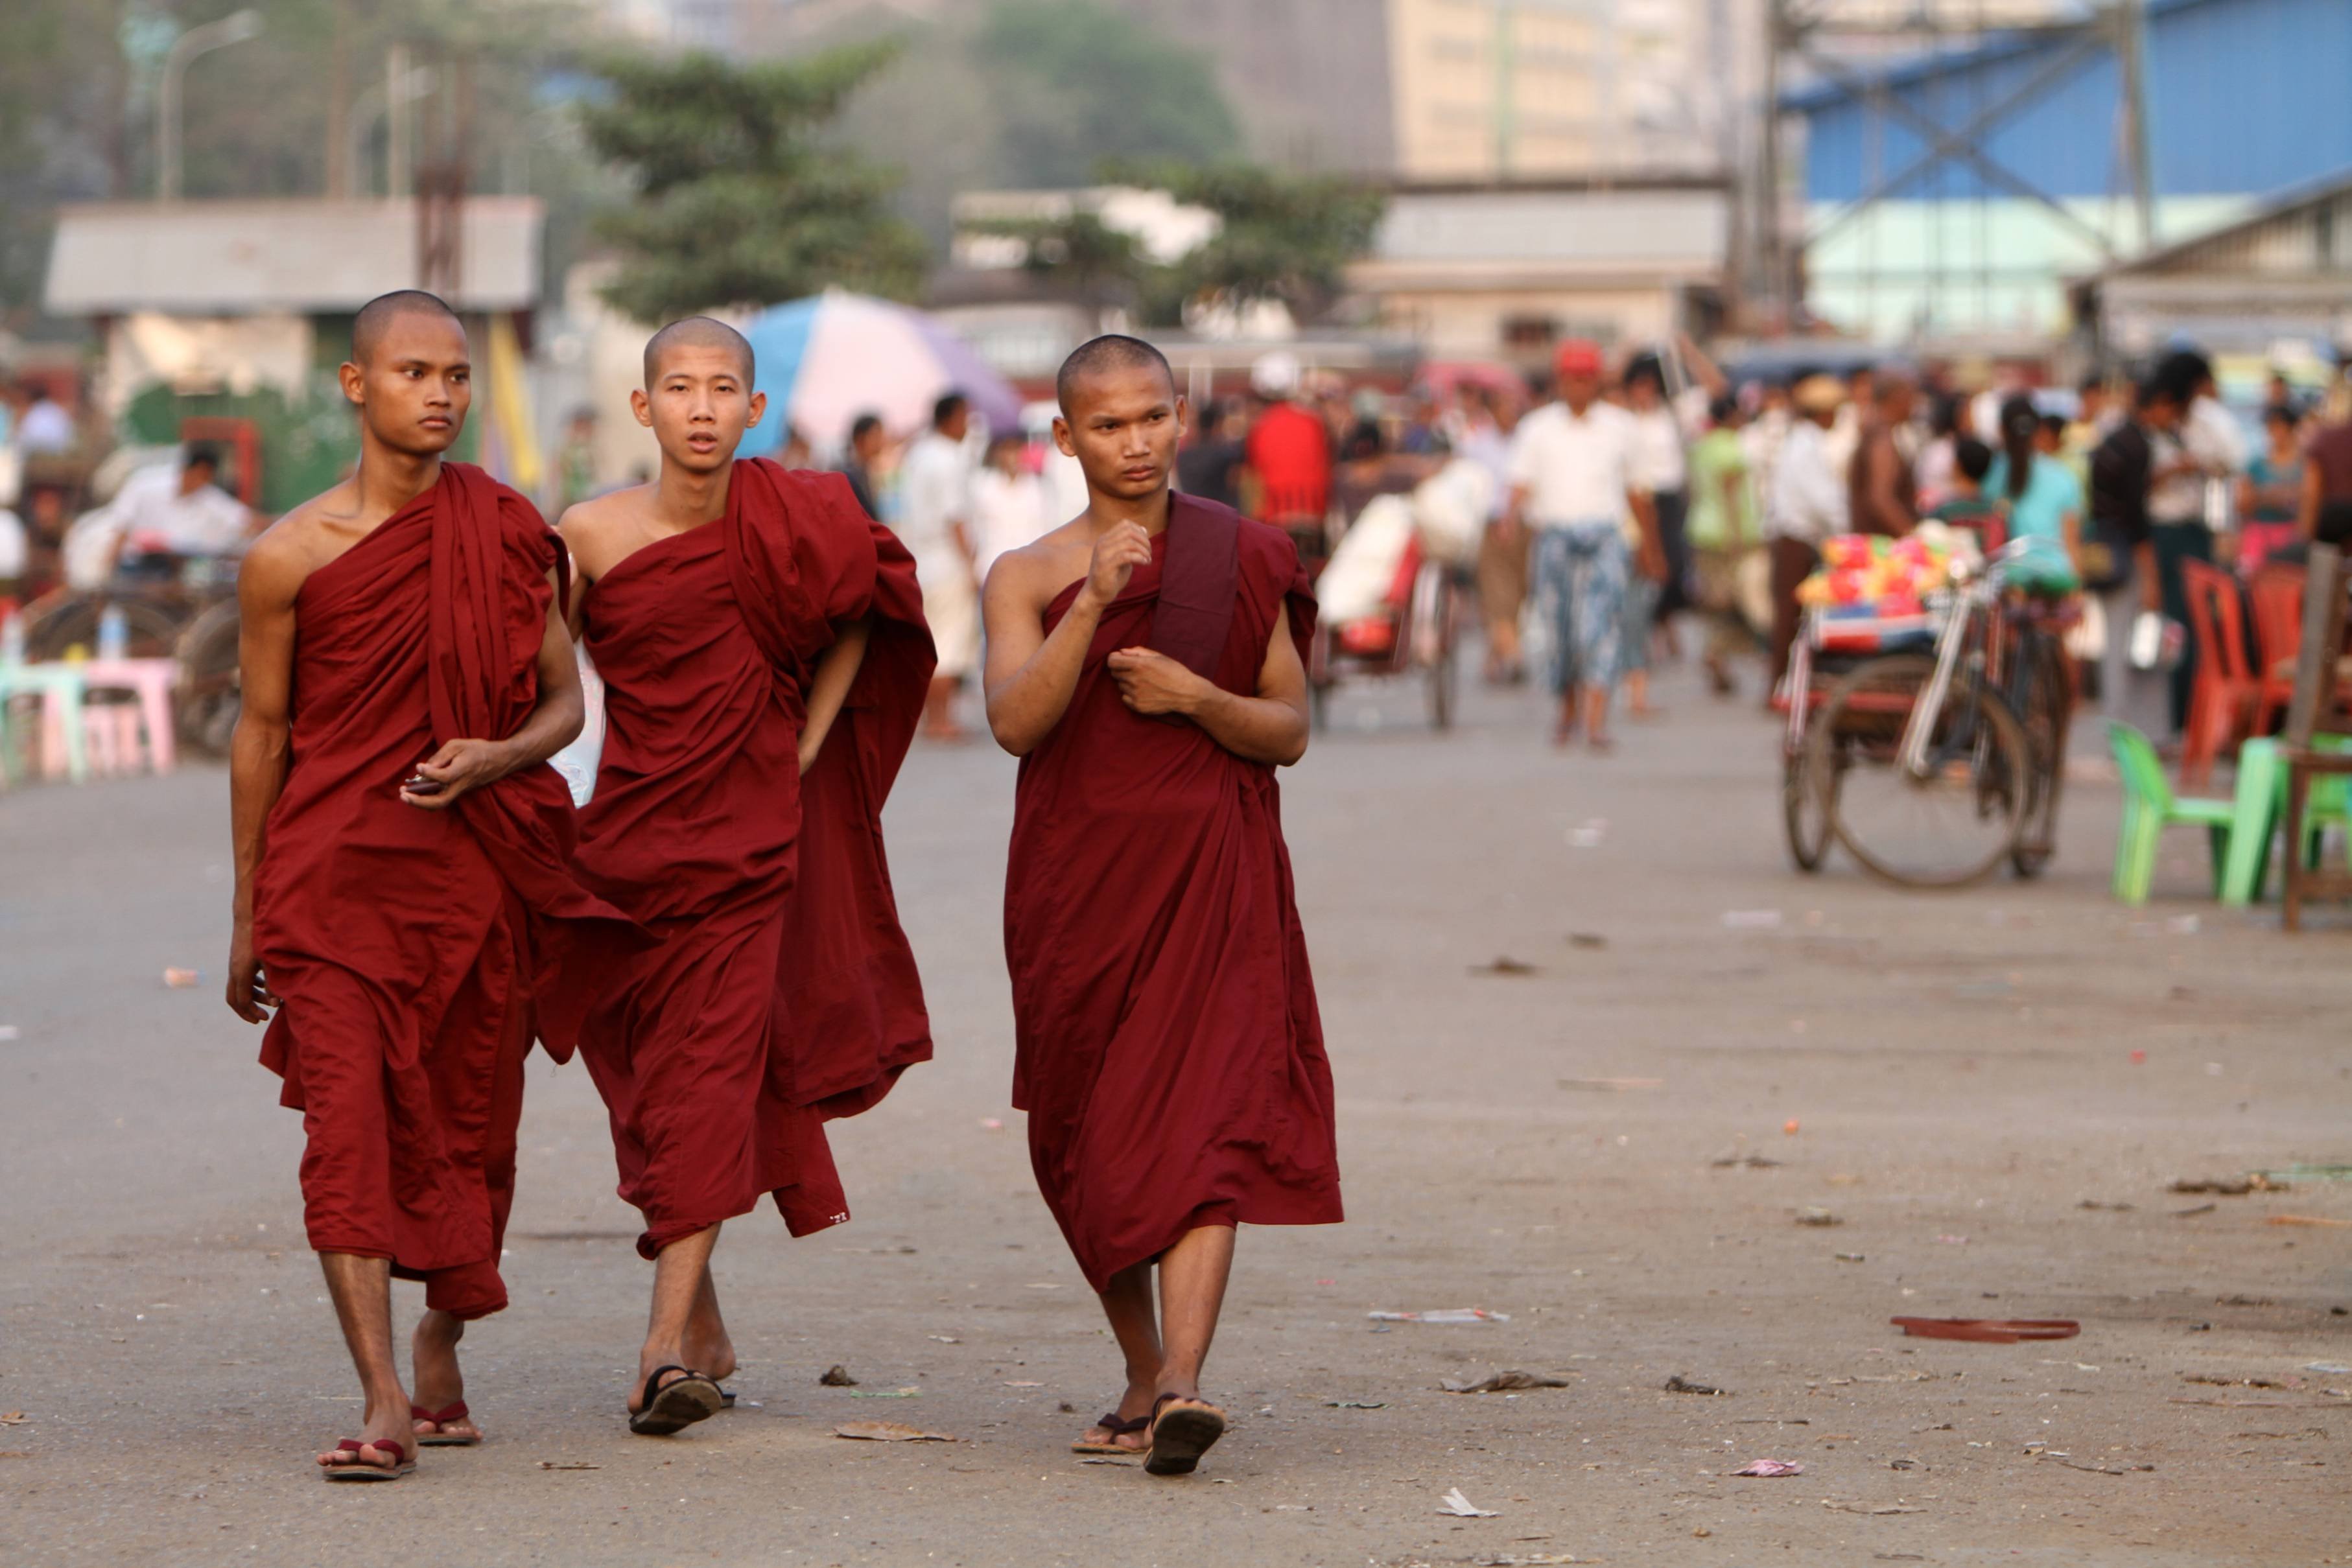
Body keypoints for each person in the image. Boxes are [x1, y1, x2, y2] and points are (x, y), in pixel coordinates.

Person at [225, 290, 634, 1479]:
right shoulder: (288, 555)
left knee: (470, 1129)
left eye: (455, 374)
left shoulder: (505, 530)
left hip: (473, 882)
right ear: (357, 385)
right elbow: (262, 733)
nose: (442, 393)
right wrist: (247, 911)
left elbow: (564, 701)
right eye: (414, 372)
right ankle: (381, 1395)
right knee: (346, 1132)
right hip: (329, 886)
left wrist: (500, 754)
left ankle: (441, 1336)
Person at [557, 318, 934, 1437]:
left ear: (755, 409)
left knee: (710, 1079)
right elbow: (534, 678)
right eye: (679, 388)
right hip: (621, 844)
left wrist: (805, 745)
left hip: (748, 843)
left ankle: (661, 1350)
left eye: (724, 388)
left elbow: (869, 615)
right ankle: (707, 1325)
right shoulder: (587, 533)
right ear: (644, 408)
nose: (702, 408)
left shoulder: (798, 520)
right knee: (645, 1087)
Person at [980, 334, 1338, 1478]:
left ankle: (1183, 1378)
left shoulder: (1241, 553)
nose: (1134, 442)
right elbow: (1014, 721)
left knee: (1205, 1119)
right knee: (1079, 1136)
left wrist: (1196, 698)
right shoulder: (1026, 573)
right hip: (1076, 887)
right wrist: (1091, 604)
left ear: (1181, 416)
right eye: (1107, 424)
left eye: (1151, 417)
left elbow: (1287, 727)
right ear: (1064, 437)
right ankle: (1143, 1368)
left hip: (1211, 870)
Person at [1507, 340, 1658, 751]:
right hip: (1554, 537)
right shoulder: (1537, 428)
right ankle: (1567, 711)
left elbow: (1638, 493)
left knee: (1601, 626)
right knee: (1558, 631)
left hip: (1605, 538)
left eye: (1586, 379)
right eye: (1572, 379)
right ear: (1560, 381)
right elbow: (1519, 484)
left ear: (1597, 382)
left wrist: (1650, 550)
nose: (1578, 387)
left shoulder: (1620, 427)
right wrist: (1509, 524)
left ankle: (1595, 720)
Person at [2088, 379, 2179, 737]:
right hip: (2125, 555)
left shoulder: (2115, 440)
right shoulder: (2136, 445)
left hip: (2105, 550)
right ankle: (2128, 730)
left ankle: (2122, 727)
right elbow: (2135, 517)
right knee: (2129, 644)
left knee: (2117, 642)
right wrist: (2151, 575)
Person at [899, 392, 980, 739]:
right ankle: (940, 720)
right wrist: (970, 565)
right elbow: (955, 518)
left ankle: (930, 716)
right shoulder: (948, 458)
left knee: (930, 641)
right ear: (952, 418)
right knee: (948, 643)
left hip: (921, 559)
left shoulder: (918, 454)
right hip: (946, 561)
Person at [1765, 375, 1850, 698]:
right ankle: (1779, 687)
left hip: (1798, 538)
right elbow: (1823, 501)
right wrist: (1847, 529)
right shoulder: (1805, 446)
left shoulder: (1804, 442)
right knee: (1789, 616)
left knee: (1791, 616)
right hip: (1795, 540)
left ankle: (1784, 685)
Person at [1622, 364, 1688, 718]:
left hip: (1665, 502)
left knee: (1665, 573)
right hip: (1634, 507)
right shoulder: (1623, 424)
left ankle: (1660, 630)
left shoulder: (1670, 419)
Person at [1684, 395, 1759, 697]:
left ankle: (1717, 656)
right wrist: (1736, 537)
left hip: (1702, 530)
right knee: (1732, 602)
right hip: (1725, 535)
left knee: (1715, 602)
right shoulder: (1730, 448)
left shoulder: (1702, 446)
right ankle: (1717, 652)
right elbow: (1730, 495)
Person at [92, 444, 257, 580]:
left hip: (178, 570)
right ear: (186, 469)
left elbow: (244, 521)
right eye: (198, 475)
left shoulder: (210, 498)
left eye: (206, 478)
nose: (200, 482)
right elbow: (122, 528)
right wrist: (105, 570)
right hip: (137, 566)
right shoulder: (144, 486)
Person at [1240, 351, 1333, 569]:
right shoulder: (1314, 422)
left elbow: (1253, 481)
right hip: (1313, 518)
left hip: (1274, 519)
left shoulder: (1260, 427)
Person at [1982, 396, 2085, 591]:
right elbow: (2071, 542)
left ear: (2001, 430)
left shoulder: (1991, 476)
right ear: (2040, 430)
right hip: (2058, 580)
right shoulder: (2063, 477)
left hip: (2008, 583)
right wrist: (2078, 588)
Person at [1468, 384, 1531, 683]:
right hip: (1492, 526)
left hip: (1523, 527)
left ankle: (1497, 654)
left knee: (1516, 595)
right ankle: (1513, 654)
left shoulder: (1526, 442)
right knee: (1496, 594)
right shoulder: (1478, 445)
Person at [972, 431, 1053, 589]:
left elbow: (1046, 528)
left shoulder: (1037, 487)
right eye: (1006, 449)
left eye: (1015, 449)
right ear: (997, 452)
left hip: (1031, 570)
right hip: (991, 570)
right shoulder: (983, 486)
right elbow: (975, 532)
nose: (1011, 456)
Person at [2235, 404, 2305, 575]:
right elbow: (2242, 504)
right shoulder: (2256, 464)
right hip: (2259, 534)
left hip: (2291, 536)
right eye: (2271, 427)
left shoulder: (2305, 465)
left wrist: (2264, 496)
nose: (2275, 433)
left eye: (2280, 427)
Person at [1848, 370, 1918, 538]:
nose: (1913, 406)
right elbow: (1880, 498)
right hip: (1882, 543)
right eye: (1910, 399)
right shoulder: (1882, 439)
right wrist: (1911, 536)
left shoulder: (1874, 432)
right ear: (1897, 399)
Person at [1175, 398, 1245, 511]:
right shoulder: (1225, 456)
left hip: (1191, 513)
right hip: (1221, 514)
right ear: (1217, 424)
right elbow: (1234, 483)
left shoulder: (1183, 456)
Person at [840, 412, 889, 521]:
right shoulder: (849, 475)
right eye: (876, 436)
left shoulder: (866, 470)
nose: (881, 440)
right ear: (861, 438)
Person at [16, 386, 75, 454]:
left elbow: (26, 433)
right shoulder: (57, 409)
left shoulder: (34, 412)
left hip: (42, 449)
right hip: (60, 449)